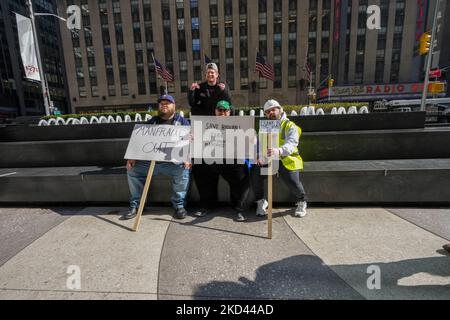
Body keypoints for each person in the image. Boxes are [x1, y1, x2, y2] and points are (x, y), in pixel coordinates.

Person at [121, 95, 191, 220]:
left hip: (171, 162)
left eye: (167, 103)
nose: (164, 105)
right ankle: (136, 206)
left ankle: (179, 206)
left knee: (183, 169)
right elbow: (140, 140)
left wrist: (187, 157)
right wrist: (132, 158)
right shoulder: (151, 122)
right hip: (151, 161)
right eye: (161, 103)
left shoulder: (182, 122)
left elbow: (188, 142)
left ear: (174, 106)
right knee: (133, 169)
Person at [193, 100, 250, 222]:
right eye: (220, 110)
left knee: (241, 172)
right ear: (215, 111)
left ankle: (239, 208)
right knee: (200, 168)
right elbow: (198, 141)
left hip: (231, 159)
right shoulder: (207, 124)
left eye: (225, 110)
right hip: (211, 158)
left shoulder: (238, 124)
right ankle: (207, 206)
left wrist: (251, 139)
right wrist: (193, 137)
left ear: (229, 112)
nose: (222, 112)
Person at [251, 99, 308, 218]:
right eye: (268, 111)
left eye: (273, 110)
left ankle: (302, 201)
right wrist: (260, 156)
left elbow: (292, 144)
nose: (271, 113)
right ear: (265, 114)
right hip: (269, 159)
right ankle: (261, 201)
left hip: (287, 159)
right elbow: (261, 145)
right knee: (255, 172)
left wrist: (279, 151)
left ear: (280, 110)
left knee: (292, 180)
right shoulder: (264, 127)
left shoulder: (289, 125)